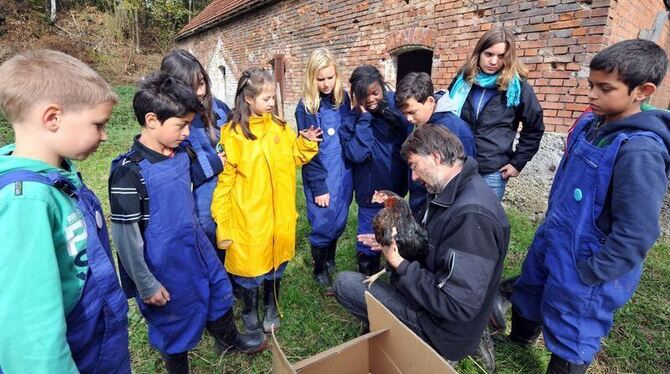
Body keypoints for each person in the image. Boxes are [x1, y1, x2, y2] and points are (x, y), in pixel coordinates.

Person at [506, 39, 670, 374]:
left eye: (605, 88)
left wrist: (591, 273)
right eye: (590, 85)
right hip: (554, 237)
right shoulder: (589, 125)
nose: (592, 95)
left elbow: (637, 232)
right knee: (530, 291)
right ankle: (516, 347)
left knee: (573, 326)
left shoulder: (639, 151)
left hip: (588, 261)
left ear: (643, 90)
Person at [109, 72, 266, 374]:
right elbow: (126, 238)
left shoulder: (181, 151)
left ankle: (230, 339)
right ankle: (178, 367)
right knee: (174, 317)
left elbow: (200, 173)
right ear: (152, 120)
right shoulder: (129, 172)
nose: (185, 132)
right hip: (164, 262)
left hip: (196, 244)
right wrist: (146, 283)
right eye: (181, 125)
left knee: (219, 290)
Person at [333, 124, 509, 372]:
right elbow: (437, 252)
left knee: (345, 284)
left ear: (435, 158)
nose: (413, 177)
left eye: (414, 166)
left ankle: (408, 344)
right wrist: (400, 246)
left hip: (442, 331)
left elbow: (456, 305)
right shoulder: (453, 191)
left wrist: (399, 264)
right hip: (435, 307)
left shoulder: (472, 217)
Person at [0, 49, 130, 373]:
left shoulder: (58, 177)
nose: (105, 135)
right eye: (98, 124)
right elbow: (31, 337)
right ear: (52, 118)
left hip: (98, 348)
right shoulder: (25, 202)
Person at [211, 68, 321, 334]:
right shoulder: (233, 134)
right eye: (266, 98)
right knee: (250, 271)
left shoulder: (280, 129)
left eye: (273, 97)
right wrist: (223, 222)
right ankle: (250, 309)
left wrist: (304, 144)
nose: (272, 103)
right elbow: (225, 181)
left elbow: (290, 158)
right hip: (249, 220)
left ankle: (272, 304)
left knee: (276, 266)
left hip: (279, 217)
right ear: (249, 99)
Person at [449, 27, 544, 200]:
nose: (494, 61)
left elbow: (534, 127)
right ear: (479, 53)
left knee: (485, 222)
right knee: (453, 218)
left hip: (492, 171)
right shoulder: (462, 81)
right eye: (488, 54)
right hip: (456, 164)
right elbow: (446, 118)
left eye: (501, 56)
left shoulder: (517, 88)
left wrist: (517, 162)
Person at [339, 64, 412, 275]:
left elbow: (409, 135)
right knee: (367, 237)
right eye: (363, 96)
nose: (371, 99)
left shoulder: (396, 109)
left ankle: (396, 273)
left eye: (375, 93)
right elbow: (356, 154)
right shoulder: (352, 120)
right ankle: (367, 275)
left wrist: (387, 112)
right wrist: (364, 121)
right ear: (355, 96)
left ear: (382, 87)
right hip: (368, 192)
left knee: (396, 234)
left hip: (395, 189)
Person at [159, 49, 231, 264]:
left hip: (230, 186)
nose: (200, 92)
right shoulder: (171, 122)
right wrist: (215, 163)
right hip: (201, 196)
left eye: (202, 83)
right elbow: (175, 170)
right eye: (191, 88)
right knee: (208, 231)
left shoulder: (220, 109)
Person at [295, 48, 353, 294]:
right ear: (311, 78)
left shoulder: (344, 100)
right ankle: (320, 268)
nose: (326, 83)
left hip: (343, 173)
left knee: (339, 219)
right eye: (321, 79)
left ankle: (330, 259)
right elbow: (310, 153)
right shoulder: (307, 108)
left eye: (330, 77)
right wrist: (318, 186)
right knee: (323, 221)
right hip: (322, 174)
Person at [395, 71, 476, 216]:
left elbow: (462, 178)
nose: (408, 119)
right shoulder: (420, 122)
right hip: (421, 203)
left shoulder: (453, 129)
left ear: (430, 101)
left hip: (439, 209)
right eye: (404, 114)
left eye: (412, 112)